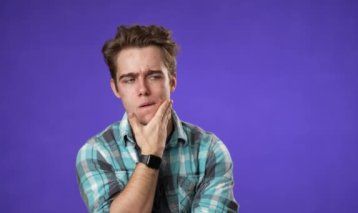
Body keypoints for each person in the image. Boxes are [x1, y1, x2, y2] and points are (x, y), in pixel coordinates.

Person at [76, 25, 238, 213]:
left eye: (153, 76)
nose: (143, 89)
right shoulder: (96, 152)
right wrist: (151, 156)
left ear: (172, 81)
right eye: (129, 79)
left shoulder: (209, 150)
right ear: (116, 89)